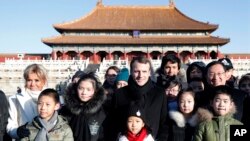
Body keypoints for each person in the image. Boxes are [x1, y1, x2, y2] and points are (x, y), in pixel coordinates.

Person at [110, 57, 168, 141]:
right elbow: (113, 123)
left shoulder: (159, 94)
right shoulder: (119, 94)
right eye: (137, 71)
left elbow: (164, 122)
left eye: (144, 71)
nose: (140, 75)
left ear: (149, 72)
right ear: (131, 72)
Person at [7, 64, 48, 139]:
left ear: (44, 81)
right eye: (29, 80)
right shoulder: (14, 99)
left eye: (37, 80)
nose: (32, 84)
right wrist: (17, 132)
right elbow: (10, 126)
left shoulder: (53, 99)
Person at [64, 73, 107, 141]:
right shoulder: (67, 110)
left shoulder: (101, 112)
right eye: (81, 88)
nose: (84, 92)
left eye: (88, 89)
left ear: (95, 91)